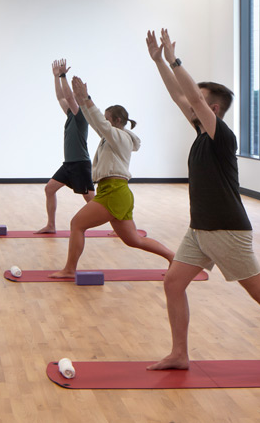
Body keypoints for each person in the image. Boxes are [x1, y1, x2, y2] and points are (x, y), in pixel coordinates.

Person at [144, 29, 260, 378]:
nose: (191, 104)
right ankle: (179, 353)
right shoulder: (200, 134)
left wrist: (175, 59)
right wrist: (159, 61)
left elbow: (189, 94)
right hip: (201, 229)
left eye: (200, 102)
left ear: (214, 108)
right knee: (173, 283)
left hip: (226, 228)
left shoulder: (221, 135)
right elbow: (181, 95)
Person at [47, 73, 175, 277]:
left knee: (77, 224)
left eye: (108, 119)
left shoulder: (121, 137)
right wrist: (81, 101)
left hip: (115, 191)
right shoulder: (112, 137)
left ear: (117, 121)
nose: (104, 122)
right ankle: (173, 258)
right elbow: (97, 123)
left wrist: (87, 100)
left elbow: (101, 125)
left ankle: (70, 269)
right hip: (114, 191)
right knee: (134, 240)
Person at [35, 59, 93, 232]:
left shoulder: (82, 114)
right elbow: (61, 97)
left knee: (93, 201)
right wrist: (56, 78)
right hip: (69, 164)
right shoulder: (70, 115)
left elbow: (67, 96)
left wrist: (63, 76)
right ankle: (51, 225)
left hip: (80, 164)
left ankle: (119, 225)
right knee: (49, 189)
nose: (71, 98)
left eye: (75, 97)